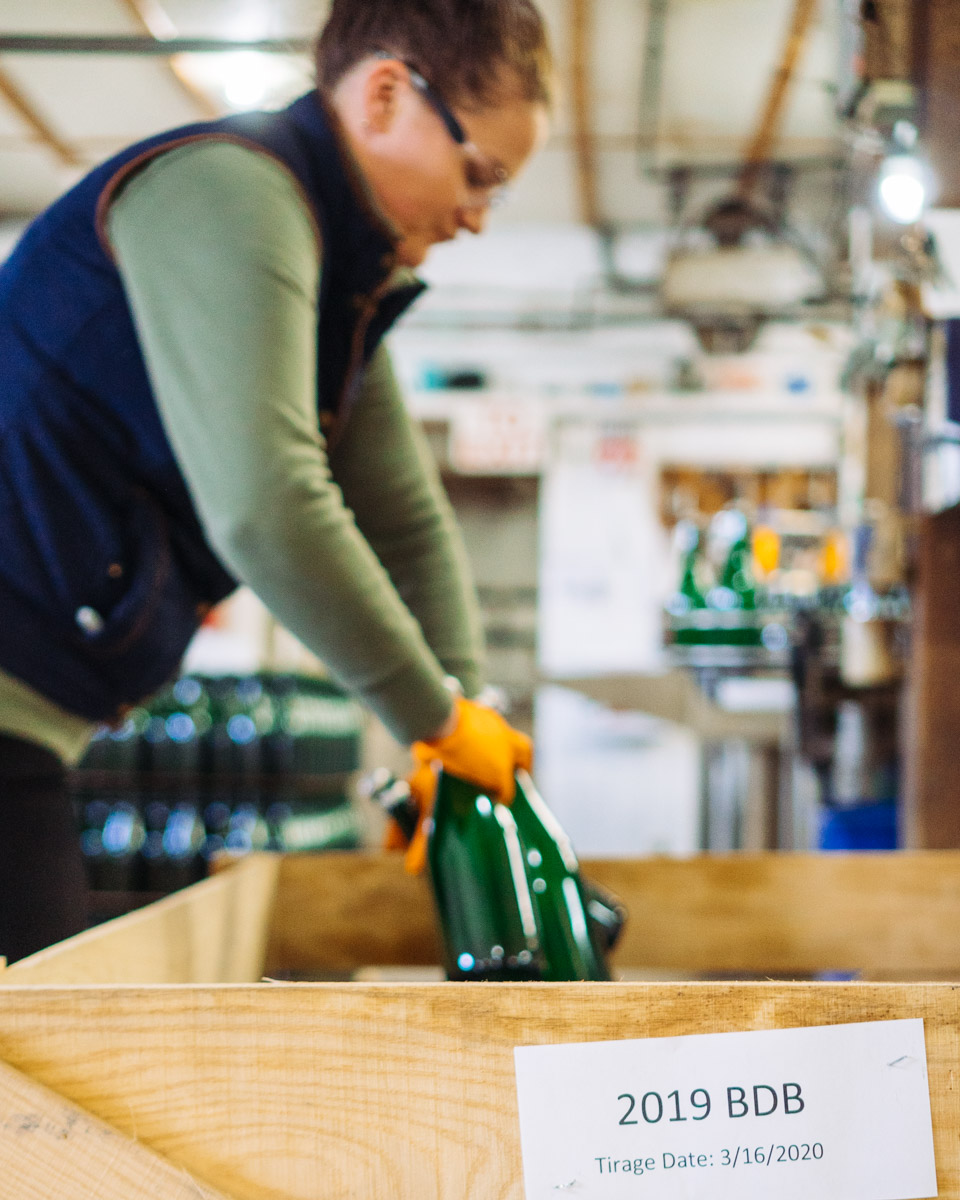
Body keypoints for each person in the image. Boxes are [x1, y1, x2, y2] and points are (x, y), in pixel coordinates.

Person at [0, 0, 553, 961]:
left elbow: (408, 523)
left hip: (32, 730)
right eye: (480, 175)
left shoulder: (336, 280)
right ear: (385, 94)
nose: (474, 218)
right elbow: (267, 507)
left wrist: (464, 729)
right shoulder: (231, 194)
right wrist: (434, 718)